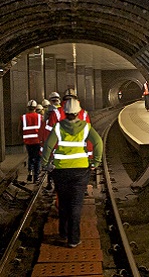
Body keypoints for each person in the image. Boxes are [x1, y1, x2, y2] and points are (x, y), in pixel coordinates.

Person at [41, 99, 103, 248]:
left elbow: (48, 146)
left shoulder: (58, 127)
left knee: (63, 202)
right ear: (77, 112)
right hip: (81, 171)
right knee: (75, 205)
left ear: (66, 112)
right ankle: (73, 239)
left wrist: (45, 164)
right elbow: (98, 143)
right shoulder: (86, 127)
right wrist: (95, 162)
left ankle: (63, 232)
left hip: (61, 170)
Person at [21, 100, 43, 182]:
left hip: (28, 141)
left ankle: (29, 173)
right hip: (37, 141)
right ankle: (36, 177)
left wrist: (23, 138)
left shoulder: (23, 117)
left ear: (27, 108)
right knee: (37, 159)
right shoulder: (39, 117)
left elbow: (19, 130)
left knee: (30, 157)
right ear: (35, 108)